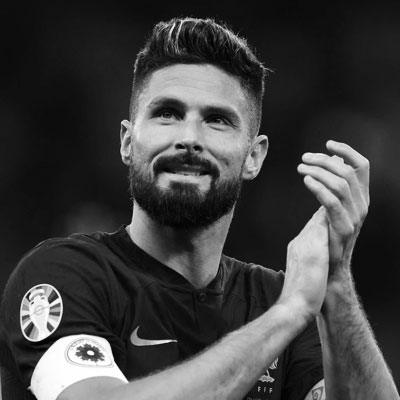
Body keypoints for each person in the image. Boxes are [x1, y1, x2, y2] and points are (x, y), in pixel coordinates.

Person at [0, 17, 398, 400]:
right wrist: (287, 314)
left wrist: (336, 284)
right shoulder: (64, 276)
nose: (189, 137)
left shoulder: (275, 298)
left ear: (253, 157)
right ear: (127, 142)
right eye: (167, 114)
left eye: (217, 120)